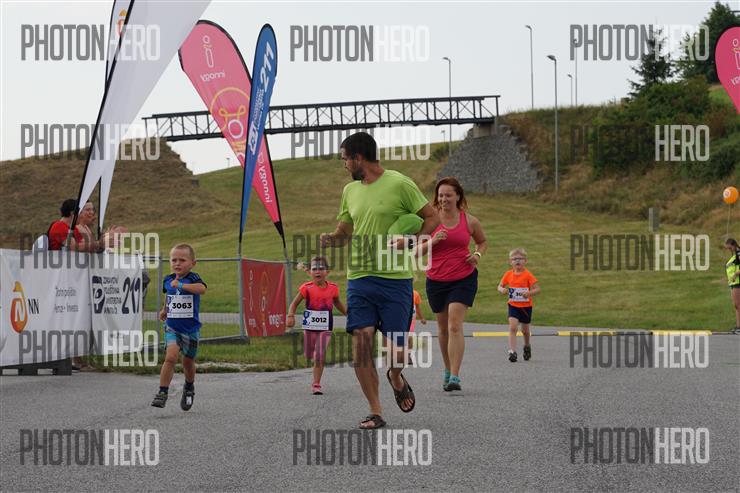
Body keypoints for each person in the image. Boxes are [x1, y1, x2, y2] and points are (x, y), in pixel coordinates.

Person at [321, 131, 438, 429]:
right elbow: (345, 231)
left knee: (398, 352)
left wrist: (410, 241)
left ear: (359, 157)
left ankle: (395, 377)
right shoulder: (350, 191)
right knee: (361, 342)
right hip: (360, 278)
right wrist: (332, 238)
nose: (344, 165)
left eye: (345, 159)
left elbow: (433, 218)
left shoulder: (400, 183)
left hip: (395, 279)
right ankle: (376, 410)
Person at [418, 177, 487, 391]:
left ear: (458, 196)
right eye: (440, 195)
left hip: (463, 278)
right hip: (436, 281)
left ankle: (455, 376)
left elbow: (482, 242)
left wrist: (476, 255)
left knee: (455, 325)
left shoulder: (470, 221)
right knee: (442, 328)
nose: (443, 199)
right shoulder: (430, 221)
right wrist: (433, 241)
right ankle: (447, 369)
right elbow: (415, 252)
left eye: (448, 195)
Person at [151, 244, 207, 411]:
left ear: (192, 263)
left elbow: (202, 289)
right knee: (171, 357)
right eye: (174, 260)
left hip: (190, 330)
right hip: (172, 328)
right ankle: (162, 392)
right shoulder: (168, 280)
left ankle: (189, 386)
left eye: (182, 260)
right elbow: (170, 294)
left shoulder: (193, 278)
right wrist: (165, 309)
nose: (177, 263)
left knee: (188, 362)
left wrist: (181, 285)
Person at [287, 256, 347, 395]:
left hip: (326, 327)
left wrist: (348, 314)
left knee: (319, 354)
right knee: (309, 353)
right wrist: (290, 316)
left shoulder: (333, 288)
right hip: (310, 326)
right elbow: (294, 304)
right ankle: (311, 355)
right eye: (314, 269)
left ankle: (316, 384)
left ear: (327, 272)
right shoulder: (306, 288)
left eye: (321, 268)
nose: (318, 271)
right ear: (309, 272)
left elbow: (337, 302)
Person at [498, 248, 540, 362]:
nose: (517, 261)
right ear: (510, 262)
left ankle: (527, 346)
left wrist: (529, 293)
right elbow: (500, 286)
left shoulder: (528, 275)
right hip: (513, 305)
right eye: (514, 259)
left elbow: (537, 289)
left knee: (525, 331)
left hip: (526, 307)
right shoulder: (508, 274)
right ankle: (512, 351)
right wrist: (502, 290)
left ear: (525, 261)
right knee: (513, 327)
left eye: (520, 258)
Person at [724, 238, 740, 334]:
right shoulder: (735, 254)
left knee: (738, 305)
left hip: (738, 282)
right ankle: (738, 326)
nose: (729, 250)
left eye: (730, 248)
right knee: (736, 306)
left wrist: (735, 274)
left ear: (734, 245)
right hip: (733, 283)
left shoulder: (739, 253)